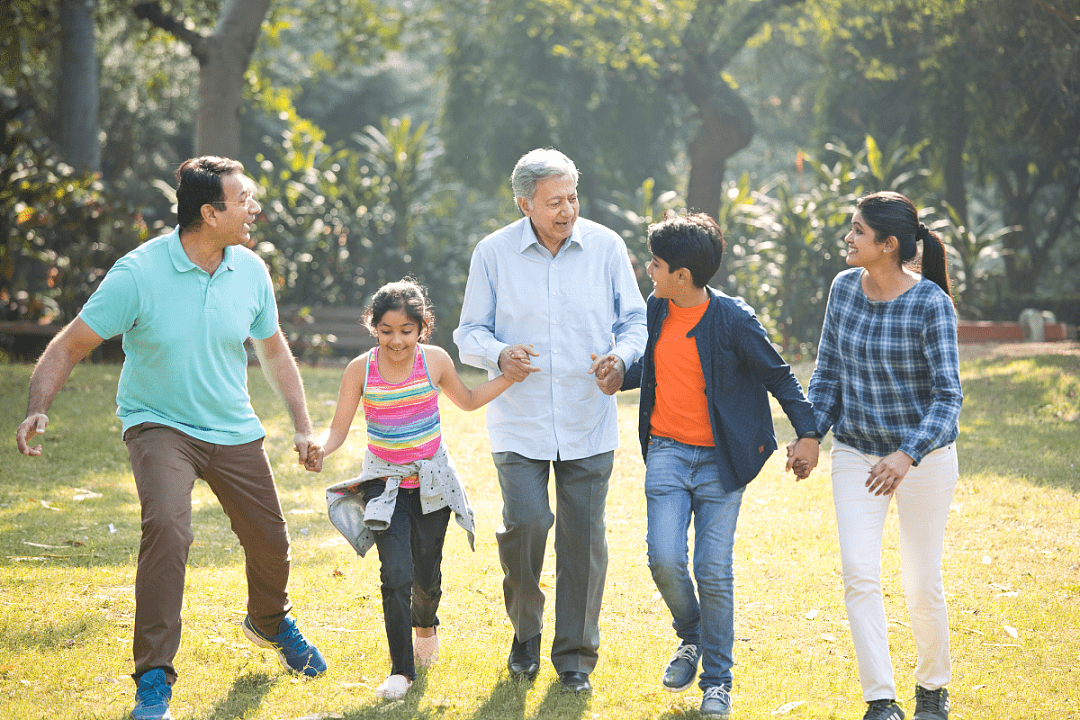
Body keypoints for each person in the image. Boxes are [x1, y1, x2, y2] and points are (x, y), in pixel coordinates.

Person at [15, 156, 327, 720]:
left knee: (270, 539)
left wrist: (303, 424)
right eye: (244, 199)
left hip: (231, 424)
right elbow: (68, 345)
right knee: (167, 526)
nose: (254, 208)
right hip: (159, 422)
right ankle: (154, 676)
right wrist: (38, 407)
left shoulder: (250, 270)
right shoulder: (138, 274)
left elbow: (274, 348)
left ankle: (269, 619)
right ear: (210, 213)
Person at [453, 148, 647, 694]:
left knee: (584, 540)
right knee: (527, 524)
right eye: (555, 201)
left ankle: (576, 659)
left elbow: (635, 318)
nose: (568, 210)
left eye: (573, 197)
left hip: (590, 418)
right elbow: (468, 332)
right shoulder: (492, 253)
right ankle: (525, 633)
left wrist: (624, 358)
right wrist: (498, 355)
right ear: (524, 204)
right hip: (520, 421)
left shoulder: (606, 245)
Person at [613, 212, 819, 718]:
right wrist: (617, 372)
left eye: (656, 264)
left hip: (720, 460)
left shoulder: (734, 320)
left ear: (683, 276)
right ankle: (692, 636)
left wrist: (809, 434)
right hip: (666, 449)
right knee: (663, 557)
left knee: (712, 567)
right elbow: (656, 365)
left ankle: (717, 682)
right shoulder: (658, 307)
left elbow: (780, 376)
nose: (649, 270)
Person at [308, 278, 522, 700]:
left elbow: (469, 399)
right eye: (386, 331)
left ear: (422, 327)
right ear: (373, 325)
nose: (396, 340)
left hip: (431, 486)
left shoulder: (435, 361)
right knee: (395, 575)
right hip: (383, 487)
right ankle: (400, 671)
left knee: (426, 577)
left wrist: (508, 377)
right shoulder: (361, 369)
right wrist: (321, 448)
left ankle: (426, 626)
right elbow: (339, 427)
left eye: (406, 331)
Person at [796, 191, 962, 720]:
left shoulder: (930, 303)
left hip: (923, 460)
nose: (849, 237)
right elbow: (828, 375)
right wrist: (810, 435)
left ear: (889, 245)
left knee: (920, 581)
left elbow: (948, 397)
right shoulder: (844, 289)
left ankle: (932, 689)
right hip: (857, 452)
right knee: (858, 571)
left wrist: (906, 455)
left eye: (859, 230)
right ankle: (880, 700)